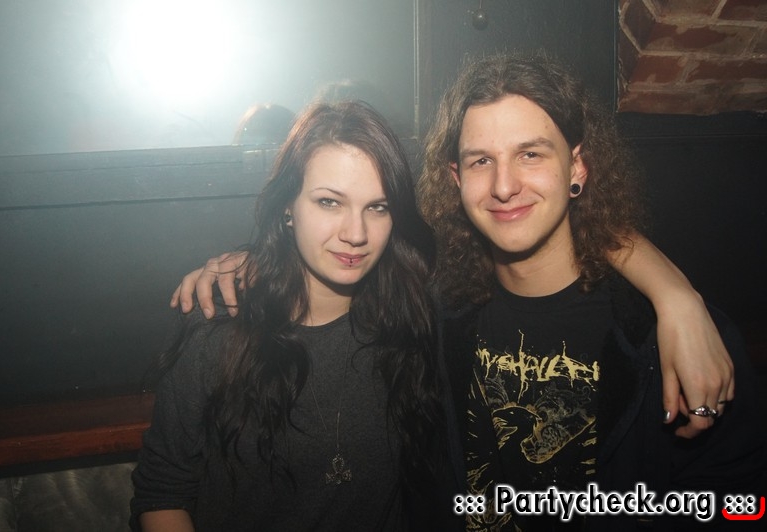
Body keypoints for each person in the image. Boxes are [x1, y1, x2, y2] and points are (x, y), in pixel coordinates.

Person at [419, 53, 764, 530]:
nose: (503, 186)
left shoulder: (665, 334)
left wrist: (677, 299)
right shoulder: (433, 322)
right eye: (481, 161)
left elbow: (740, 500)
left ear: (577, 167)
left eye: (530, 154)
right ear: (457, 179)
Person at [131, 101, 460, 531]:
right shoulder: (219, 325)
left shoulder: (414, 318)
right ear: (288, 206)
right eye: (329, 202)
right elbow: (163, 492)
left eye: (377, 207)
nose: (356, 233)